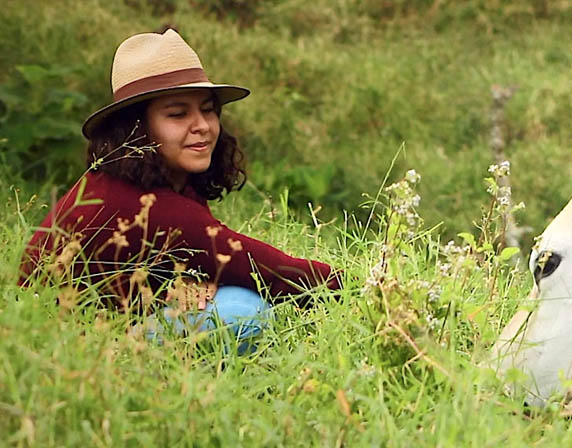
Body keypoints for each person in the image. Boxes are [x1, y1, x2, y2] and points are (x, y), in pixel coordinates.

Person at [19, 29, 341, 345]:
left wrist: (194, 279)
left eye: (207, 109)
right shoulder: (143, 203)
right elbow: (270, 271)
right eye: (177, 114)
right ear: (136, 128)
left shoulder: (159, 179)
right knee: (242, 311)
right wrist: (366, 288)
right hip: (60, 351)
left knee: (229, 295)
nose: (201, 126)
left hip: (107, 326)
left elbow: (195, 260)